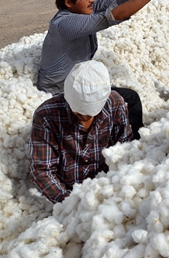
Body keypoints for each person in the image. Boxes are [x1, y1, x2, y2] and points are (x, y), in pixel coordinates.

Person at [37, 0, 169, 139]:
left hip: (77, 84)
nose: (92, 0)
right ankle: (130, 143)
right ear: (68, 2)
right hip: (60, 91)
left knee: (127, 99)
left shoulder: (84, 8)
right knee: (130, 100)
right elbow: (111, 16)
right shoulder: (64, 24)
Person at [29, 60, 133, 204]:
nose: (85, 117)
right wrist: (71, 203)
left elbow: (125, 151)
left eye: (91, 113)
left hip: (107, 188)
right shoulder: (47, 116)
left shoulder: (115, 104)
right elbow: (42, 171)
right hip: (67, 193)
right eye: (79, 113)